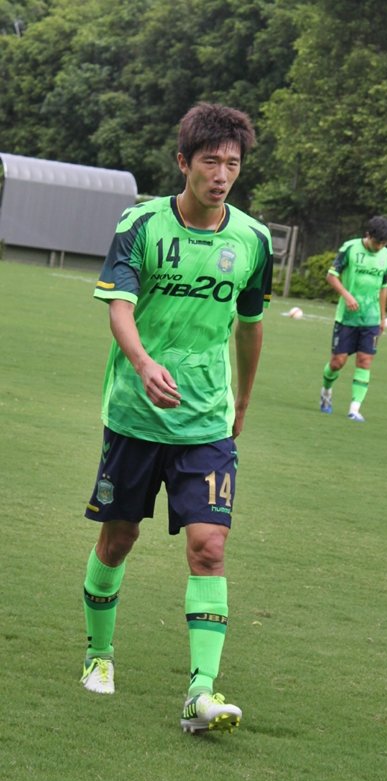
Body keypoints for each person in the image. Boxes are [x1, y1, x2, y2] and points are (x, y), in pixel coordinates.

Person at [80, 102, 273, 735]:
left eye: (233, 164)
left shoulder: (253, 240)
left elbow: (250, 326)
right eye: (211, 162)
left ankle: (201, 692)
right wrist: (142, 364)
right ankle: (99, 655)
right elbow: (119, 307)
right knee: (119, 539)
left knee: (209, 547)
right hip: (135, 416)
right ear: (183, 162)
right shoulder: (140, 224)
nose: (222, 175)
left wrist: (241, 401)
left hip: (207, 422)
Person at [319, 216, 387, 421]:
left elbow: (384, 287)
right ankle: (326, 391)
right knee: (337, 362)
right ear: (368, 235)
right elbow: (331, 276)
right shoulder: (350, 248)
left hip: (371, 318)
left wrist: (382, 316)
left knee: (365, 360)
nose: (380, 247)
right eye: (377, 242)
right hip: (347, 317)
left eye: (384, 243)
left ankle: (354, 409)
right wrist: (347, 295)